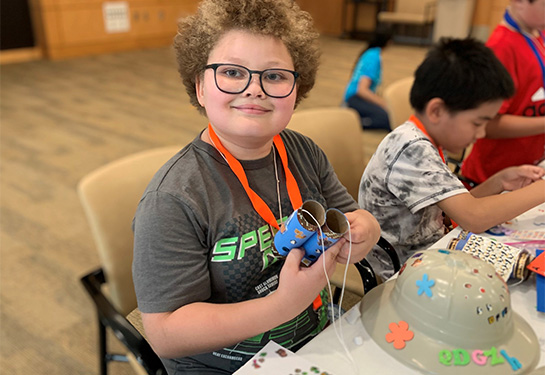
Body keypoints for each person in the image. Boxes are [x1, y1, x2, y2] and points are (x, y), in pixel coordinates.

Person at [132, 0, 381, 374]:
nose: (254, 89)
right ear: (200, 87)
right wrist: (282, 305)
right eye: (232, 72)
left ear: (298, 90)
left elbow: (350, 216)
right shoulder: (174, 198)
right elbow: (166, 333)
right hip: (226, 365)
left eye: (276, 76)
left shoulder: (303, 152)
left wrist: (365, 230)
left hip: (316, 336)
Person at [358, 37, 545, 280]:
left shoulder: (428, 139)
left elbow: (459, 208)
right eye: (478, 123)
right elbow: (474, 217)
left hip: (435, 249)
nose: (481, 133)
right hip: (402, 275)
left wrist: (499, 182)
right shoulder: (411, 148)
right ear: (437, 111)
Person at [461, 0, 545, 185]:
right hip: (494, 176)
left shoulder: (538, 32)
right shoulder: (502, 47)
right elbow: (487, 125)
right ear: (519, 2)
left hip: (530, 163)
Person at [343, 27, 393, 131]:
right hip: (355, 98)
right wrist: (383, 104)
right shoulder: (374, 57)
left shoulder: (370, 52)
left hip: (356, 97)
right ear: (388, 42)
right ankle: (351, 121)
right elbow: (362, 90)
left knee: (388, 115)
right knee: (387, 119)